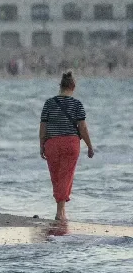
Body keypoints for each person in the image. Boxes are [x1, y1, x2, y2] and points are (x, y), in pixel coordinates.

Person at [41, 71, 93, 227]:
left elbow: (43, 127)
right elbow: (82, 128)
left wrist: (41, 144)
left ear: (60, 86)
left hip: (52, 143)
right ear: (73, 86)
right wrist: (89, 146)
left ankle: (60, 210)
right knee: (66, 175)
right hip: (71, 143)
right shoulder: (77, 104)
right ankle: (60, 211)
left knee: (56, 177)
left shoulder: (49, 103)